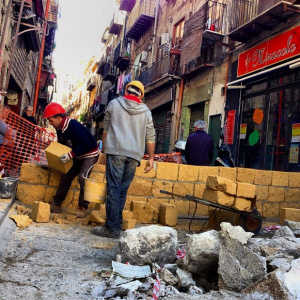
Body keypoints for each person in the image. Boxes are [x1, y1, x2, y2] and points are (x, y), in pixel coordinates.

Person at [92, 80, 156, 239]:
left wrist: (104, 150)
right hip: (134, 156)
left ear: (126, 91)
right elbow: (150, 136)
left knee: (113, 189)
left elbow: (105, 129)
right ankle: (116, 225)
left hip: (116, 152)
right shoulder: (146, 111)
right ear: (141, 95)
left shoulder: (114, 104)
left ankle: (112, 228)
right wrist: (151, 158)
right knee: (122, 190)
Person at [43, 102, 100, 218]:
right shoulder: (59, 129)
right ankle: (57, 203)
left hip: (90, 154)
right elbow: (63, 145)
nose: (50, 123)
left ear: (59, 118)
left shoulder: (73, 126)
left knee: (83, 178)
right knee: (66, 176)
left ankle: (82, 206)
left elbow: (87, 144)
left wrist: (70, 154)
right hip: (76, 155)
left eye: (50, 120)